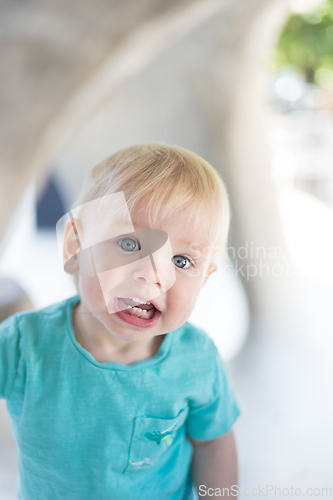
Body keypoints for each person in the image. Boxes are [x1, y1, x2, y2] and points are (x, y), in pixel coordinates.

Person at [0, 143, 240, 499]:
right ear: (74, 248)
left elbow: (213, 444)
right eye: (130, 244)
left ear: (204, 280)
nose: (151, 274)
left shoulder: (197, 360)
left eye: (182, 261)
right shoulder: (23, 344)